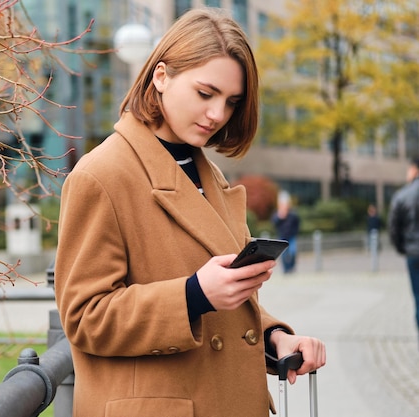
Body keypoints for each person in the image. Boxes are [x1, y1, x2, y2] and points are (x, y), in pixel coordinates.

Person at [54, 8, 326, 417]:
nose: (218, 114)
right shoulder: (101, 175)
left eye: (231, 102)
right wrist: (193, 294)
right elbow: (84, 317)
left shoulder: (209, 174)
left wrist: (274, 340)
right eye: (205, 93)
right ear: (161, 76)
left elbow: (225, 300)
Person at [388, 157, 419, 336]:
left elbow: (394, 226)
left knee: (418, 296)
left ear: (415, 170)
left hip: (413, 253)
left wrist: (402, 248)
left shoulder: (403, 195)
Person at [271, 191, 300, 273]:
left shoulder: (292, 213)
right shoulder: (277, 214)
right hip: (282, 236)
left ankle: (291, 267)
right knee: (284, 254)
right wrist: (280, 217)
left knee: (293, 252)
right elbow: (274, 223)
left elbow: (297, 223)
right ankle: (286, 269)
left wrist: (295, 232)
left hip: (291, 236)